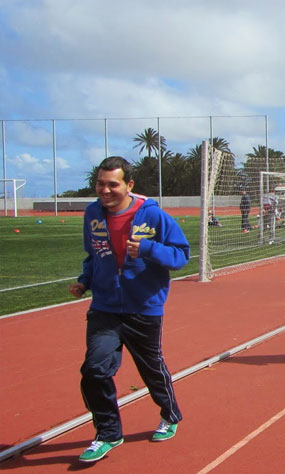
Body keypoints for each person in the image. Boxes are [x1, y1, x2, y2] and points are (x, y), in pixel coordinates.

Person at [69, 156, 189, 463]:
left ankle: (170, 414)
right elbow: (93, 255)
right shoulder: (92, 214)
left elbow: (181, 255)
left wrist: (148, 248)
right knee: (94, 369)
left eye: (112, 184)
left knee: (150, 368)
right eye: (100, 184)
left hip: (144, 307)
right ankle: (108, 433)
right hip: (105, 307)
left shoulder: (153, 215)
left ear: (128, 184)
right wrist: (84, 281)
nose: (105, 190)